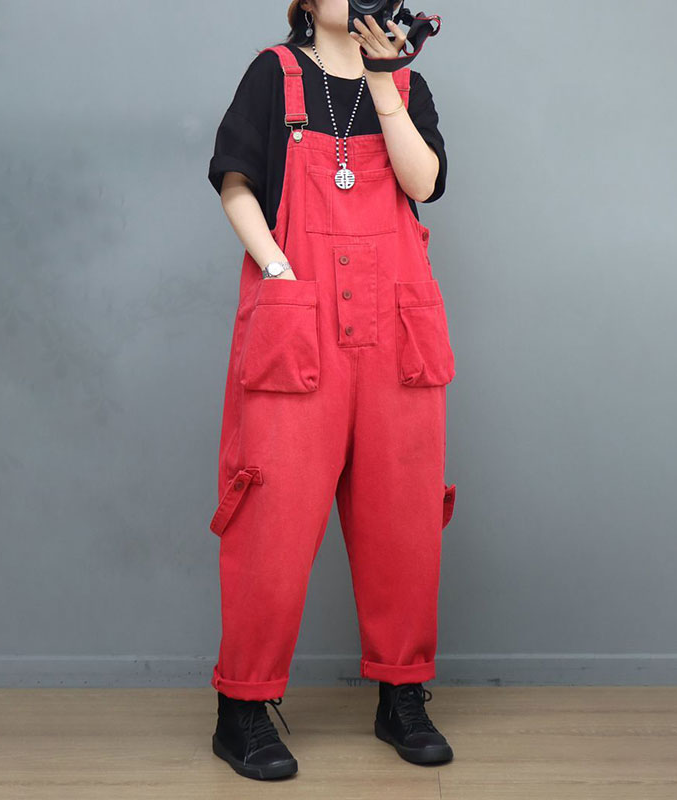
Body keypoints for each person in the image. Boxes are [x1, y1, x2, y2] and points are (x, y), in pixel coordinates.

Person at [206, 0, 457, 781]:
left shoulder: (405, 87)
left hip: (398, 330)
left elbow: (424, 182)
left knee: (404, 519)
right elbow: (235, 181)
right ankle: (242, 709)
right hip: (299, 318)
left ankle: (402, 695)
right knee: (272, 522)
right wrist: (277, 268)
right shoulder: (272, 75)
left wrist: (385, 78)